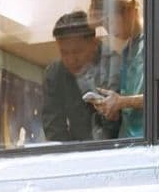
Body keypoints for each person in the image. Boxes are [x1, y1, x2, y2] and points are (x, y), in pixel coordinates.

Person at [41, 10, 119, 144]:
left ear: (94, 43)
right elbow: (54, 129)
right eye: (64, 52)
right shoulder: (54, 74)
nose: (71, 60)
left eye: (77, 51)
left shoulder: (114, 65)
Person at [87, 0, 145, 138]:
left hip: (152, 140)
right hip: (130, 141)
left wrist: (122, 102)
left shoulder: (155, 43)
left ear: (127, 9)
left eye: (108, 20)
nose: (107, 28)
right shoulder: (128, 51)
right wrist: (113, 109)